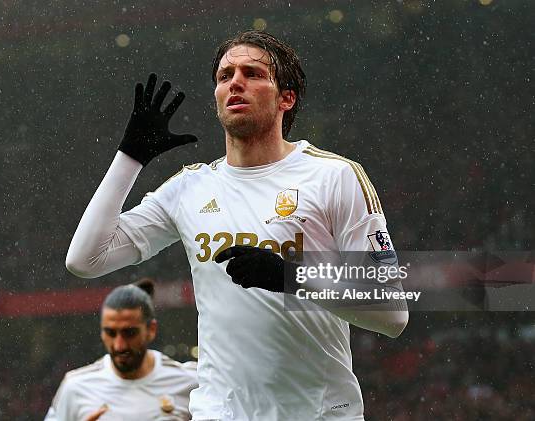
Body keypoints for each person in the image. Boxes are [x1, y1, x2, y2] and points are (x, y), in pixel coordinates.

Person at [66, 30, 408, 420]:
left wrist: (290, 276)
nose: (236, 83)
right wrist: (131, 156)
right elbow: (86, 258)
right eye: (225, 75)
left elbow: (392, 312)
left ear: (286, 98)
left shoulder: (334, 177)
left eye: (253, 73)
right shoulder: (190, 187)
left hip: (319, 413)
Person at [44, 281, 198, 420]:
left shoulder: (191, 382)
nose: (119, 345)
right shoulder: (75, 387)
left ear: (151, 330)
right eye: (110, 333)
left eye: (129, 333)